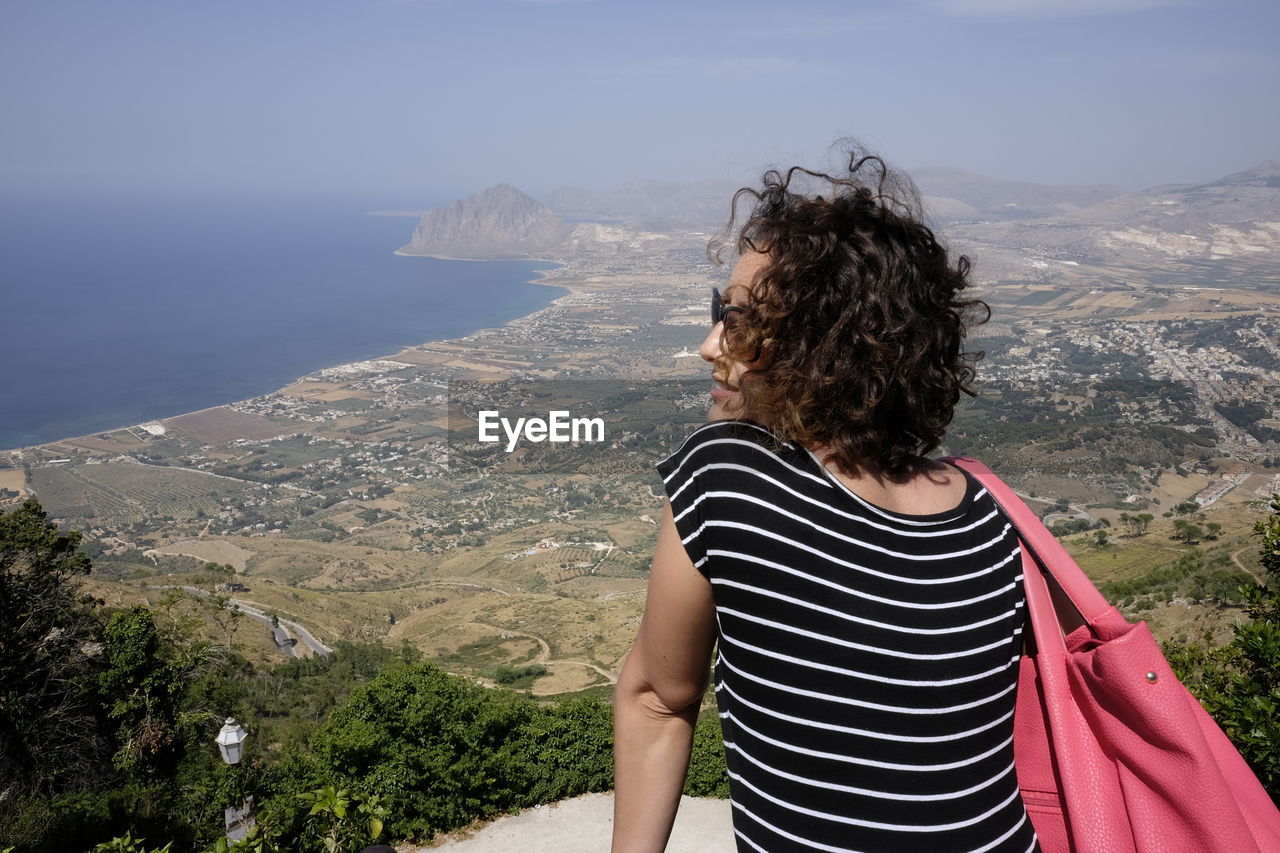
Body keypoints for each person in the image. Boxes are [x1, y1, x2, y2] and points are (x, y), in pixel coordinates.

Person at [612, 149, 1038, 852]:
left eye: (740, 319)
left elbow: (657, 699)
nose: (709, 342)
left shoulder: (727, 476)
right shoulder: (992, 521)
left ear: (823, 344)